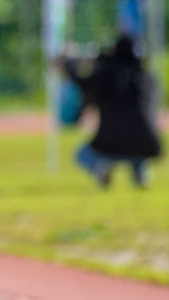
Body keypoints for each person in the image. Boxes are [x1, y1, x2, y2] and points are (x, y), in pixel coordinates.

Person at [61, 34, 162, 187]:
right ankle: (140, 175)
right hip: (148, 144)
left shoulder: (105, 76)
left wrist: (70, 64)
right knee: (137, 141)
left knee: (82, 154)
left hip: (109, 144)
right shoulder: (149, 79)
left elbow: (81, 81)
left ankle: (101, 167)